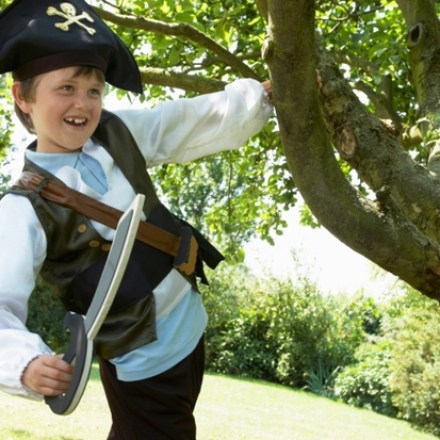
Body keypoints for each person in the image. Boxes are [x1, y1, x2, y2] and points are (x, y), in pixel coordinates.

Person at [0, 0, 273, 438]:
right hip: (142, 357)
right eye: (66, 87)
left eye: (94, 90)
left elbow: (180, 122)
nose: (83, 103)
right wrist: (25, 363)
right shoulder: (21, 208)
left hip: (189, 324)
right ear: (22, 97)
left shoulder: (115, 132)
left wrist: (262, 97)